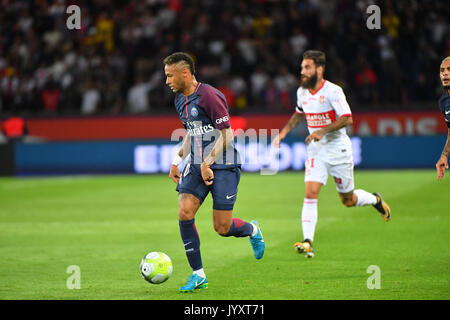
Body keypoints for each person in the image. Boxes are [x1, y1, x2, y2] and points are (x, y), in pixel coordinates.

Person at [272, 50, 391, 258]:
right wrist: (282, 133)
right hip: (316, 151)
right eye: (302, 67)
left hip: (339, 150)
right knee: (310, 193)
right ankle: (308, 242)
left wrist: (322, 130)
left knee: (348, 200)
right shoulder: (302, 92)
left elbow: (347, 118)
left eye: (307, 67)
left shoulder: (333, 91)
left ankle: (375, 200)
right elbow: (299, 115)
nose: (303, 71)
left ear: (319, 69)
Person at [163, 52, 265, 292]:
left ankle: (252, 229)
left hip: (224, 165)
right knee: (184, 212)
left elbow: (227, 134)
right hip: (199, 164)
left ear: (185, 73)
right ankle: (198, 275)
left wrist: (209, 161)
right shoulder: (179, 99)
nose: (166, 81)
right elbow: (191, 131)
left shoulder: (209, 95)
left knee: (222, 228)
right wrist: (177, 160)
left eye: (169, 75)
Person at [436, 56, 450, 180]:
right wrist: (444, 156)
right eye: (442, 70)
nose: (445, 73)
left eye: (449, 69)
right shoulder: (444, 102)